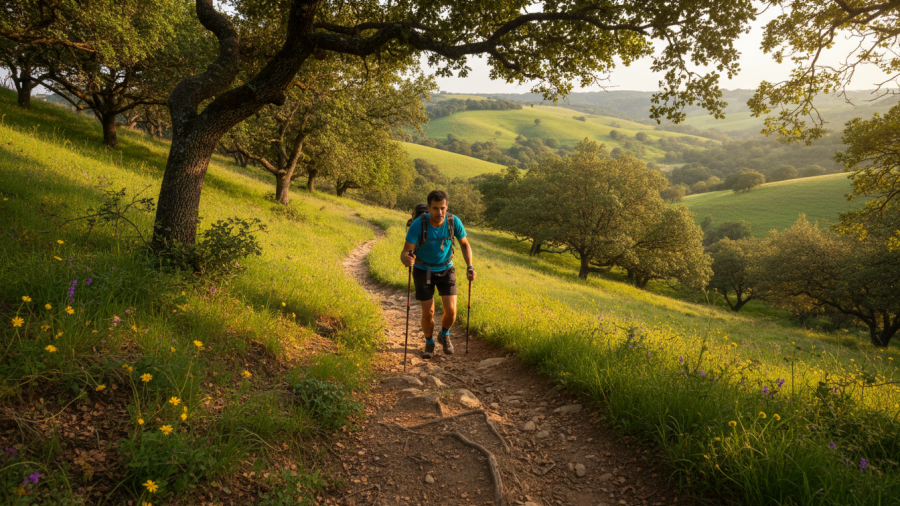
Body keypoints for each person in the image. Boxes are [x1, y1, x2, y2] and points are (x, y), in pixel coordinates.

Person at [400, 190, 476, 359]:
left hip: (446, 268)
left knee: (452, 311)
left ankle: (444, 334)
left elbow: (464, 244)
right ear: (428, 207)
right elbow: (405, 252)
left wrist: (470, 266)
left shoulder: (453, 221)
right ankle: (429, 342)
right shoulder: (418, 225)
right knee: (428, 312)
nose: (439, 212)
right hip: (422, 270)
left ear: (447, 206)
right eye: (435, 208)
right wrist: (407, 260)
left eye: (442, 208)